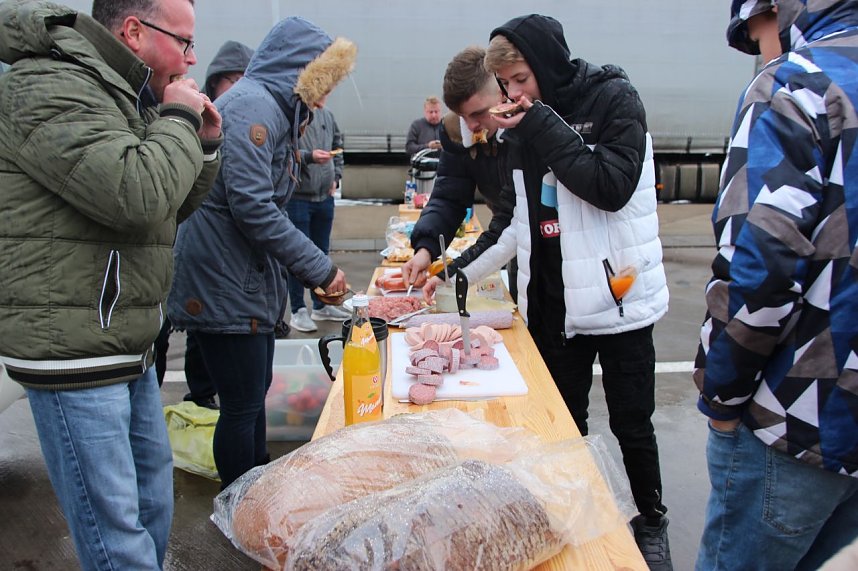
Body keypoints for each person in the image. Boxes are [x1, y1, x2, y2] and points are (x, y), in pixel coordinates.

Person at [439, 14, 672, 569]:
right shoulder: (525, 128)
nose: (514, 94)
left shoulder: (614, 98)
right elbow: (515, 223)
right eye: (507, 86)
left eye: (521, 78)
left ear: (544, 62)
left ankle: (651, 516)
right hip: (555, 304)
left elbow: (609, 188)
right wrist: (452, 273)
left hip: (619, 297)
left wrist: (539, 122)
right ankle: (568, 515)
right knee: (562, 425)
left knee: (632, 423)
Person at [0, 0, 222, 568]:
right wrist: (176, 121)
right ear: (133, 30)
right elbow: (136, 196)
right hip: (74, 347)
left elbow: (165, 208)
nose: (192, 58)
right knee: (113, 530)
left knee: (152, 502)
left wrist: (206, 145)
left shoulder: (118, 91)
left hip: (127, 339)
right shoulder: (50, 86)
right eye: (185, 41)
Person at [694, 1, 858, 569]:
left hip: (799, 420)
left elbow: (760, 266)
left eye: (757, 35)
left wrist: (721, 396)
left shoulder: (799, 81)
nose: (761, 53)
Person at [168, 17, 355, 488]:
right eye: (324, 80)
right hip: (223, 277)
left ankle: (256, 482)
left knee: (250, 398)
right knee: (241, 404)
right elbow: (252, 206)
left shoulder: (271, 107)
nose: (327, 94)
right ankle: (240, 499)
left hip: (239, 274)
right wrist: (320, 268)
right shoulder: (253, 107)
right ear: (301, 70)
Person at [155, 39, 255, 408]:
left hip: (212, 253)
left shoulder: (238, 125)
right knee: (165, 335)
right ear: (214, 84)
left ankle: (201, 397)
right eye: (231, 81)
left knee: (203, 331)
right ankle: (179, 397)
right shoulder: (184, 117)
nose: (238, 88)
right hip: (181, 245)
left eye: (244, 79)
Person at [400, 46, 517, 299]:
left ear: (501, 92)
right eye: (463, 116)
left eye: (478, 113)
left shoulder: (526, 124)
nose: (472, 125)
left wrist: (453, 273)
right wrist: (425, 250)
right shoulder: (454, 132)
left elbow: (512, 222)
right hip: (506, 243)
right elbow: (448, 198)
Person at [287, 106, 352, 332]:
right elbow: (286, 152)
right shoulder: (295, 113)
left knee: (321, 253)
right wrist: (309, 157)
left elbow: (338, 146)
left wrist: (336, 176)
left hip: (325, 196)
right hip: (298, 197)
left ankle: (321, 305)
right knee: (298, 257)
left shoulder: (327, 115)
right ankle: (298, 309)